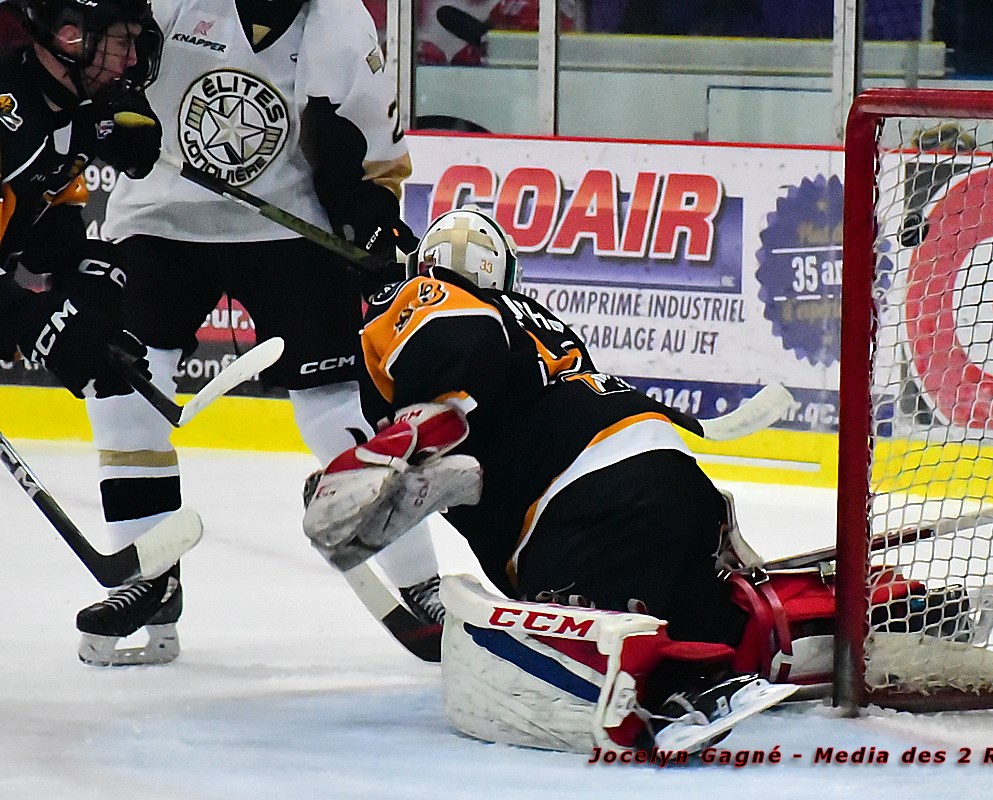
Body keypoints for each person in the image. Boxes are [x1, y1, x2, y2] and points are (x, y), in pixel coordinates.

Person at [301, 207, 798, 752]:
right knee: (691, 612)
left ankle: (666, 690)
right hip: (672, 476)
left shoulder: (425, 295)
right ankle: (725, 654)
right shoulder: (535, 318)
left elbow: (459, 342)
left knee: (582, 636)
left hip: (585, 501)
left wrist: (411, 431)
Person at [74, 0, 444, 667]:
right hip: (159, 217)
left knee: (337, 410)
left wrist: (371, 219)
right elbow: (94, 58)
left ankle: (422, 583)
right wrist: (105, 117)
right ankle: (147, 576)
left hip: (287, 227)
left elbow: (372, 155)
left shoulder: (339, 23)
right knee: (123, 386)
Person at [0, 0, 160, 401]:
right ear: (70, 37)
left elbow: (40, 226)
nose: (132, 59)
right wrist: (28, 320)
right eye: (122, 41)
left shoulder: (74, 115)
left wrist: (82, 282)